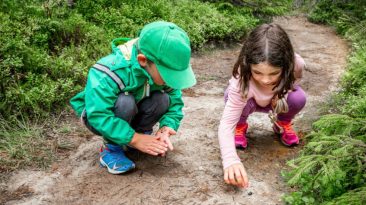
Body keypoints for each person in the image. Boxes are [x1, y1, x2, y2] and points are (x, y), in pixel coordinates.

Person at [70, 21, 196, 174]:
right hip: (97, 116)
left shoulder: (158, 69)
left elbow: (174, 100)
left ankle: (138, 136)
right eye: (167, 74)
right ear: (143, 60)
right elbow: (98, 114)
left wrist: (167, 126)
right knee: (125, 102)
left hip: (132, 110)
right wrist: (135, 139)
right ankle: (111, 148)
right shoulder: (110, 71)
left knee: (162, 99)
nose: (171, 80)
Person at [218, 23, 306, 188]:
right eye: (257, 72)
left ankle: (283, 122)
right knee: (232, 97)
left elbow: (294, 81)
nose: (265, 80)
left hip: (276, 101)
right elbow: (226, 123)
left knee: (298, 98)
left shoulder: (297, 64)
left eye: (274, 73)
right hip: (248, 102)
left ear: (286, 64)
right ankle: (241, 124)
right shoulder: (241, 75)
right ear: (248, 64)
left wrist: (281, 94)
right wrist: (230, 159)